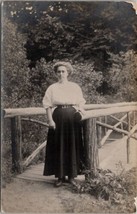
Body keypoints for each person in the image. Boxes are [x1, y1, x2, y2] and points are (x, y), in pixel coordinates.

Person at [42, 61, 86, 187]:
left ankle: (72, 176)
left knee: (72, 144)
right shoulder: (52, 88)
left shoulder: (75, 87)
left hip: (72, 118)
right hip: (58, 117)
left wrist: (79, 111)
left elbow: (81, 102)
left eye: (63, 71)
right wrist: (50, 120)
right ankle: (60, 176)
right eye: (59, 72)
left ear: (68, 73)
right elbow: (48, 106)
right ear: (56, 73)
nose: (61, 74)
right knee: (59, 145)